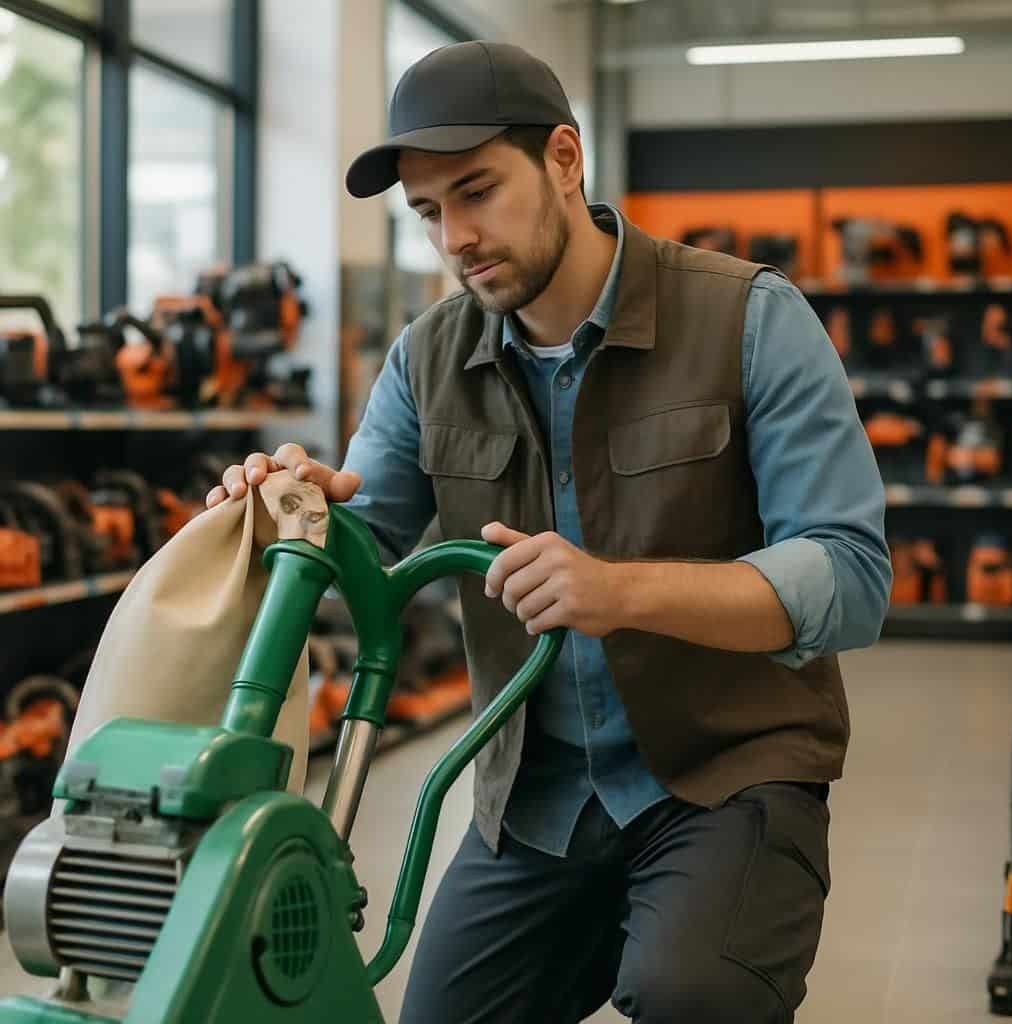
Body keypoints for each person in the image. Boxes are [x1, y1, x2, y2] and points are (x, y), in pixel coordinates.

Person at [207, 41, 891, 1024]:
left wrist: (619, 591)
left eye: (477, 191)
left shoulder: (746, 316)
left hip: (725, 778)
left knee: (690, 993)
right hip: (531, 801)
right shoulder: (426, 357)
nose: (456, 235)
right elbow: (357, 535)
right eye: (429, 211)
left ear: (564, 160)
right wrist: (286, 509)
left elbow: (850, 576)